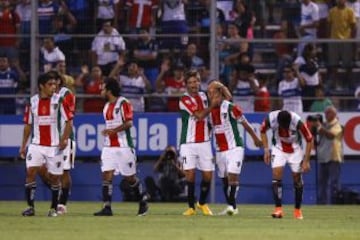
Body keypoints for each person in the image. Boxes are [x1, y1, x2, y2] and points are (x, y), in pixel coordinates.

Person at [19, 73, 73, 217]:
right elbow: (28, 125)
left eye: (55, 84)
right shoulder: (32, 102)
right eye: (50, 84)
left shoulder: (60, 101)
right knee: (30, 172)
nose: (54, 87)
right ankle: (30, 207)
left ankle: (53, 208)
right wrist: (23, 145)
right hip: (36, 145)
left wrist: (64, 139)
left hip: (54, 146)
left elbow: (69, 122)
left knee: (55, 178)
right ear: (41, 86)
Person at [93, 79, 149, 216]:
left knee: (130, 178)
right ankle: (107, 207)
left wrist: (113, 131)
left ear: (109, 90)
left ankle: (143, 199)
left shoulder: (123, 103)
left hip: (124, 145)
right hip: (108, 146)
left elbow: (129, 123)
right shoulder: (106, 106)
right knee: (106, 175)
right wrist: (108, 132)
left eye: (103, 88)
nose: (101, 91)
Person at [207, 81, 262, 215]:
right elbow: (210, 129)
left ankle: (231, 207)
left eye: (212, 92)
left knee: (233, 177)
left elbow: (245, 123)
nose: (210, 95)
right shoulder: (209, 111)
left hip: (234, 147)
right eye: (208, 93)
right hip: (220, 150)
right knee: (224, 179)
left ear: (219, 93)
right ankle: (233, 207)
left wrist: (255, 138)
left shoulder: (231, 108)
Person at [178, 70, 220, 216]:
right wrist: (212, 106)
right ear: (186, 85)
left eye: (195, 81)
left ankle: (201, 203)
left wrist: (220, 88)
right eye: (190, 82)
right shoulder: (184, 99)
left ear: (199, 82)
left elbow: (220, 99)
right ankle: (191, 207)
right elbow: (200, 115)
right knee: (190, 174)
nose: (193, 85)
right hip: (188, 142)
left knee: (208, 175)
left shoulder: (204, 96)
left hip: (204, 142)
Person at [260, 110, 313, 219]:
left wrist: (306, 160)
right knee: (276, 174)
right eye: (282, 125)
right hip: (278, 148)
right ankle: (278, 210)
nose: (284, 128)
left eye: (286, 125)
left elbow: (309, 139)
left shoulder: (297, 121)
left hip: (295, 149)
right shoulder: (271, 118)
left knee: (296, 178)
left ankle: (298, 210)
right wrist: (266, 150)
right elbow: (262, 130)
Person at [314, 106, 344, 204]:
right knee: (322, 183)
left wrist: (319, 127)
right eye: (326, 113)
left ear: (334, 114)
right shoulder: (325, 125)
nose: (326, 115)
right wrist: (314, 127)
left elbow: (331, 135)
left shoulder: (337, 124)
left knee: (333, 183)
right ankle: (323, 203)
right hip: (323, 157)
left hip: (333, 157)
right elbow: (316, 136)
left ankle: (335, 203)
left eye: (329, 113)